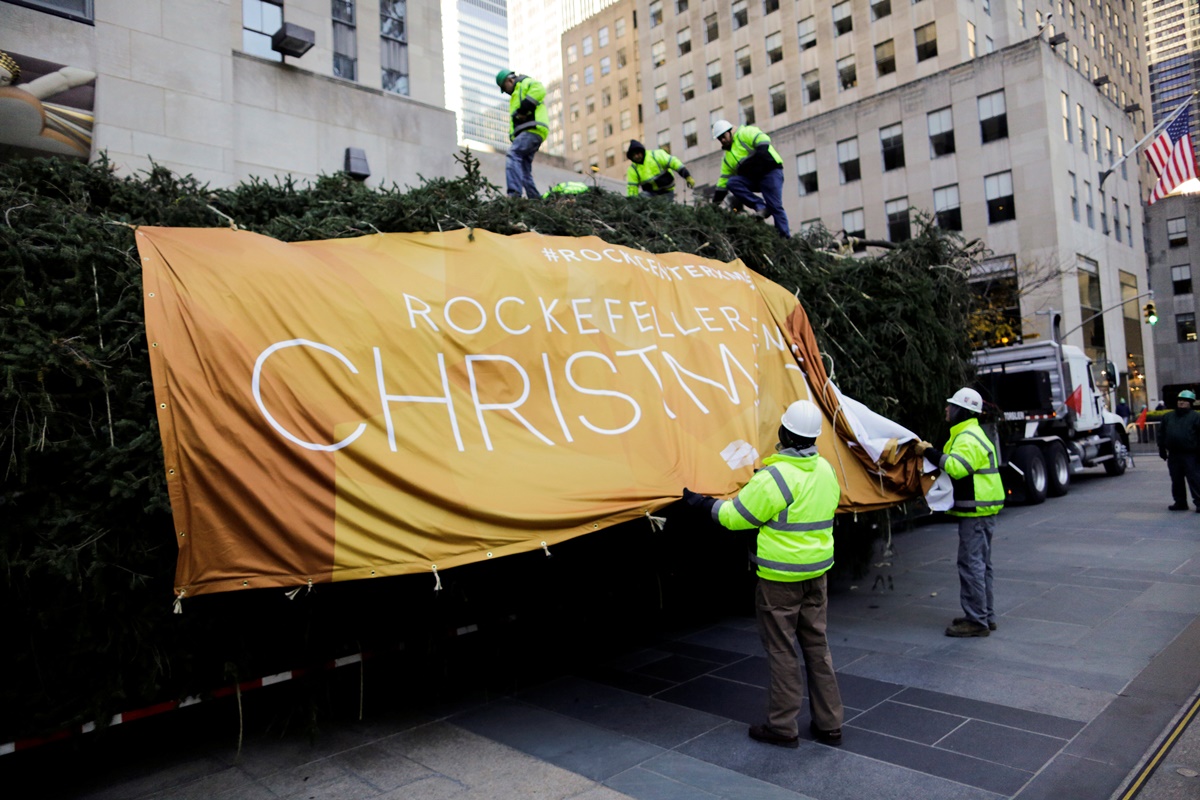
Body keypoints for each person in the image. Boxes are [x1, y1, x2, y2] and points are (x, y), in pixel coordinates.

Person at [682, 400, 843, 749]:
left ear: (784, 433)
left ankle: (783, 727)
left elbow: (734, 517)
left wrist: (701, 504)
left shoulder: (774, 477)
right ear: (814, 438)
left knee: (783, 651)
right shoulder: (826, 470)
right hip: (817, 575)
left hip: (779, 581)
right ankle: (830, 724)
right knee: (817, 647)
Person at [915, 388, 1004, 638]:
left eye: (950, 405)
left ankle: (977, 621)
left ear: (960, 410)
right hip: (981, 509)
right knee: (981, 565)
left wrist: (928, 452)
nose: (946, 409)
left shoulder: (968, 436)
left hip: (975, 512)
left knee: (971, 564)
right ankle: (985, 615)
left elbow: (956, 467)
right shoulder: (971, 433)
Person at [710, 119, 789, 238]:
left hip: (770, 173)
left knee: (775, 206)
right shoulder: (727, 158)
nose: (723, 140)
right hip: (755, 180)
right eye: (719, 139)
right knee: (732, 182)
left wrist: (758, 159)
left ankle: (784, 237)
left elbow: (763, 139)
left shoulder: (744, 133)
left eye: (723, 136)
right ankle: (761, 207)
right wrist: (714, 206)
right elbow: (723, 182)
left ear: (730, 131)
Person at [496, 69, 549, 199]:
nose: (507, 92)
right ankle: (535, 199)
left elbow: (540, 90)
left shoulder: (524, 83)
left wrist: (524, 108)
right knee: (524, 169)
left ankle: (514, 194)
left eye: (505, 88)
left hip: (532, 129)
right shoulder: (515, 95)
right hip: (530, 131)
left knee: (513, 155)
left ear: (509, 80)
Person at [1158, 389, 1200, 511]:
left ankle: (1199, 502)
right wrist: (1161, 448)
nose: (1182, 403)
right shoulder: (1168, 417)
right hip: (1174, 454)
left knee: (1195, 479)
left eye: (1185, 401)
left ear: (1190, 403)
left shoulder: (1196, 417)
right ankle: (1180, 502)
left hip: (1191, 454)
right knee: (1176, 480)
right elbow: (1161, 434)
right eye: (1180, 400)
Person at [625, 140, 694, 198]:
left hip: (667, 191)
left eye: (637, 153)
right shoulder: (633, 169)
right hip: (650, 194)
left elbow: (674, 163)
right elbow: (632, 187)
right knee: (642, 198)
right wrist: (632, 202)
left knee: (663, 208)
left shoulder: (656, 155)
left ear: (642, 151)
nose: (636, 156)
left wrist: (687, 176)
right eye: (633, 155)